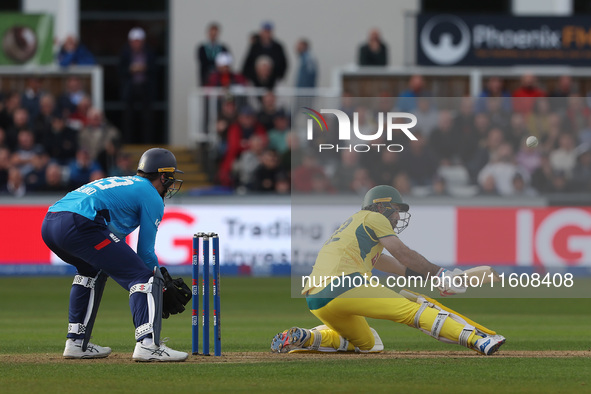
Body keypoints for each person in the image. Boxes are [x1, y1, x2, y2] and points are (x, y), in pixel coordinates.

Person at [271, 185, 506, 355]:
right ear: (381, 206)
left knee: (369, 343)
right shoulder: (373, 217)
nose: (397, 216)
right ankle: (478, 340)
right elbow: (402, 253)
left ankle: (308, 336)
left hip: (316, 300)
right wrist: (440, 274)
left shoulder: (355, 231)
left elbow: (398, 267)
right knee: (414, 311)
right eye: (395, 209)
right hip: (345, 284)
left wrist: (434, 278)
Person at [41, 148, 191, 361]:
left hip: (50, 223)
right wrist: (161, 282)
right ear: (163, 176)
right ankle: (148, 344)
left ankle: (76, 342)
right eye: (170, 178)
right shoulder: (151, 195)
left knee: (90, 270)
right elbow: (145, 252)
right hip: (80, 222)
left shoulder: (126, 182)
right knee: (143, 276)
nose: (171, 184)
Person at [118, 27, 157, 144]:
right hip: (130, 89)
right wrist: (131, 69)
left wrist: (145, 68)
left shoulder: (149, 53)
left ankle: (147, 142)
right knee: (129, 117)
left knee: (147, 117)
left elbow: (155, 69)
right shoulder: (124, 53)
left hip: (145, 88)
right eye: (134, 41)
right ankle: (129, 142)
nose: (136, 43)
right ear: (130, 42)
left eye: (138, 41)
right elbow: (120, 70)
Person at [242, 21, 288, 88]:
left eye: (268, 32)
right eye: (265, 31)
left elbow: (283, 64)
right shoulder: (255, 47)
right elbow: (248, 63)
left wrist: (278, 76)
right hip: (256, 83)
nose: (267, 34)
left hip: (273, 82)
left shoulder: (278, 47)